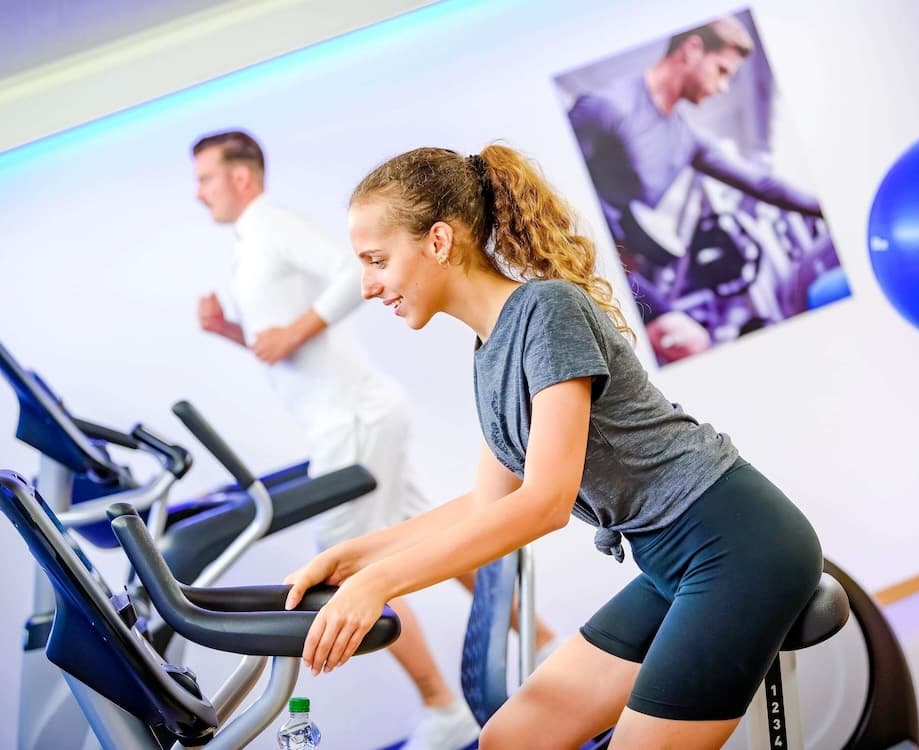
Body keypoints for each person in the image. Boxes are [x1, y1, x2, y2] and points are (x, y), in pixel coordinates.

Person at [282, 144, 824, 749]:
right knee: (512, 740)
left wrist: (381, 583)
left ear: (438, 241)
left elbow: (544, 502)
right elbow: (486, 505)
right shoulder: (490, 351)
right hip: (670, 563)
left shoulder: (547, 312)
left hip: (738, 545)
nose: (368, 286)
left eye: (377, 260)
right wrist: (354, 558)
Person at [191, 130, 492, 749]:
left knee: (346, 565)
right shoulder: (249, 244)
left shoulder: (272, 224)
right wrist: (230, 331)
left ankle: (444, 707)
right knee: (442, 538)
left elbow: (352, 273)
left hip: (353, 421)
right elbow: (280, 348)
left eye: (206, 179)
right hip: (354, 415)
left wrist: (295, 330)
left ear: (241, 177)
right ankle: (541, 645)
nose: (200, 194)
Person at [567, 15, 828, 359]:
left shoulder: (686, 137)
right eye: (721, 71)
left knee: (694, 341)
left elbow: (761, 184)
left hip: (623, 268)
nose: (722, 87)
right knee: (691, 342)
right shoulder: (608, 106)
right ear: (692, 50)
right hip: (584, 257)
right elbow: (556, 189)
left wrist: (830, 207)